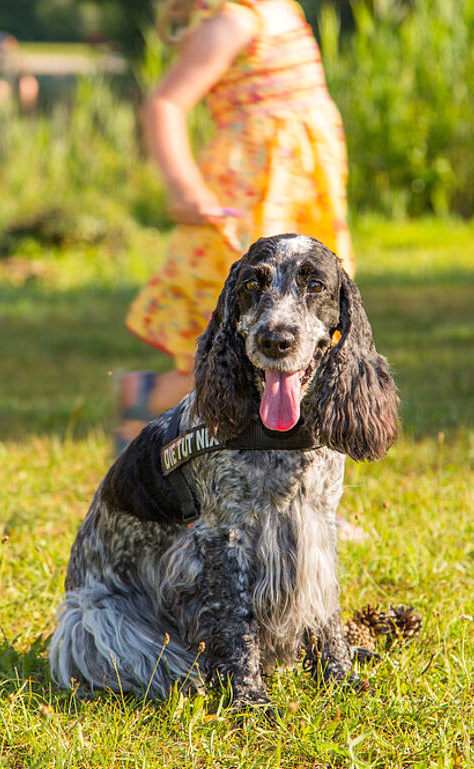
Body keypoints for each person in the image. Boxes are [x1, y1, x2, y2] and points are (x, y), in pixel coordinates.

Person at [118, 0, 356, 447]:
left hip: (296, 203)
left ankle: (147, 410)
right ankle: (143, 408)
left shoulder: (284, 10)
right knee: (230, 352)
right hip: (247, 212)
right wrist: (184, 187)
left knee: (286, 340)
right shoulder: (235, 20)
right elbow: (164, 104)